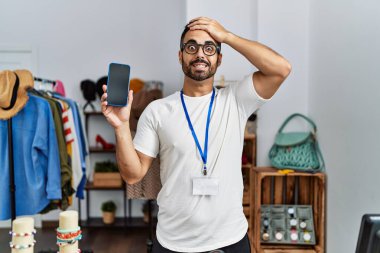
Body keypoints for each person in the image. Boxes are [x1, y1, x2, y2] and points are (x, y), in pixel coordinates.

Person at [101, 17, 291, 253]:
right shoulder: (158, 111)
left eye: (209, 48)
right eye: (191, 47)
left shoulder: (235, 100)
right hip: (172, 243)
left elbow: (281, 69)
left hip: (230, 240)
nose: (200, 54)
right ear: (180, 56)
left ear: (219, 59)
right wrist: (120, 127)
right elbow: (132, 175)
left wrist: (227, 36)